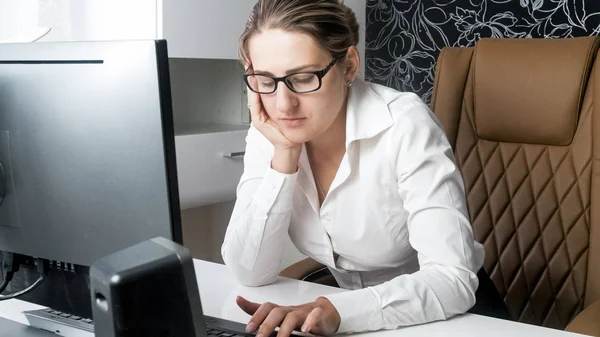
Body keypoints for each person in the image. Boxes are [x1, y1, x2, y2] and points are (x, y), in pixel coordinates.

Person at [221, 1, 508, 336]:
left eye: (302, 78)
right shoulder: (269, 131)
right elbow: (249, 271)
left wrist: (339, 310)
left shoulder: (404, 125)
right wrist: (283, 156)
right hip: (355, 322)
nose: (284, 104)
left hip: (457, 318)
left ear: (349, 66)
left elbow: (452, 278)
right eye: (265, 80)